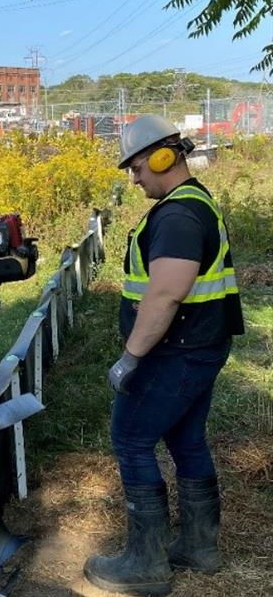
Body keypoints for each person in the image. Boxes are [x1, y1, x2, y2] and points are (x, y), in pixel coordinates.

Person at [83, 115, 244, 597]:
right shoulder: (191, 205)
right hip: (199, 345)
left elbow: (166, 295)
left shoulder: (177, 215)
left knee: (131, 438)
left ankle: (146, 563)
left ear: (161, 157)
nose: (134, 180)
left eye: (136, 168)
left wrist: (130, 357)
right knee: (186, 440)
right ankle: (198, 546)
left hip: (175, 351)